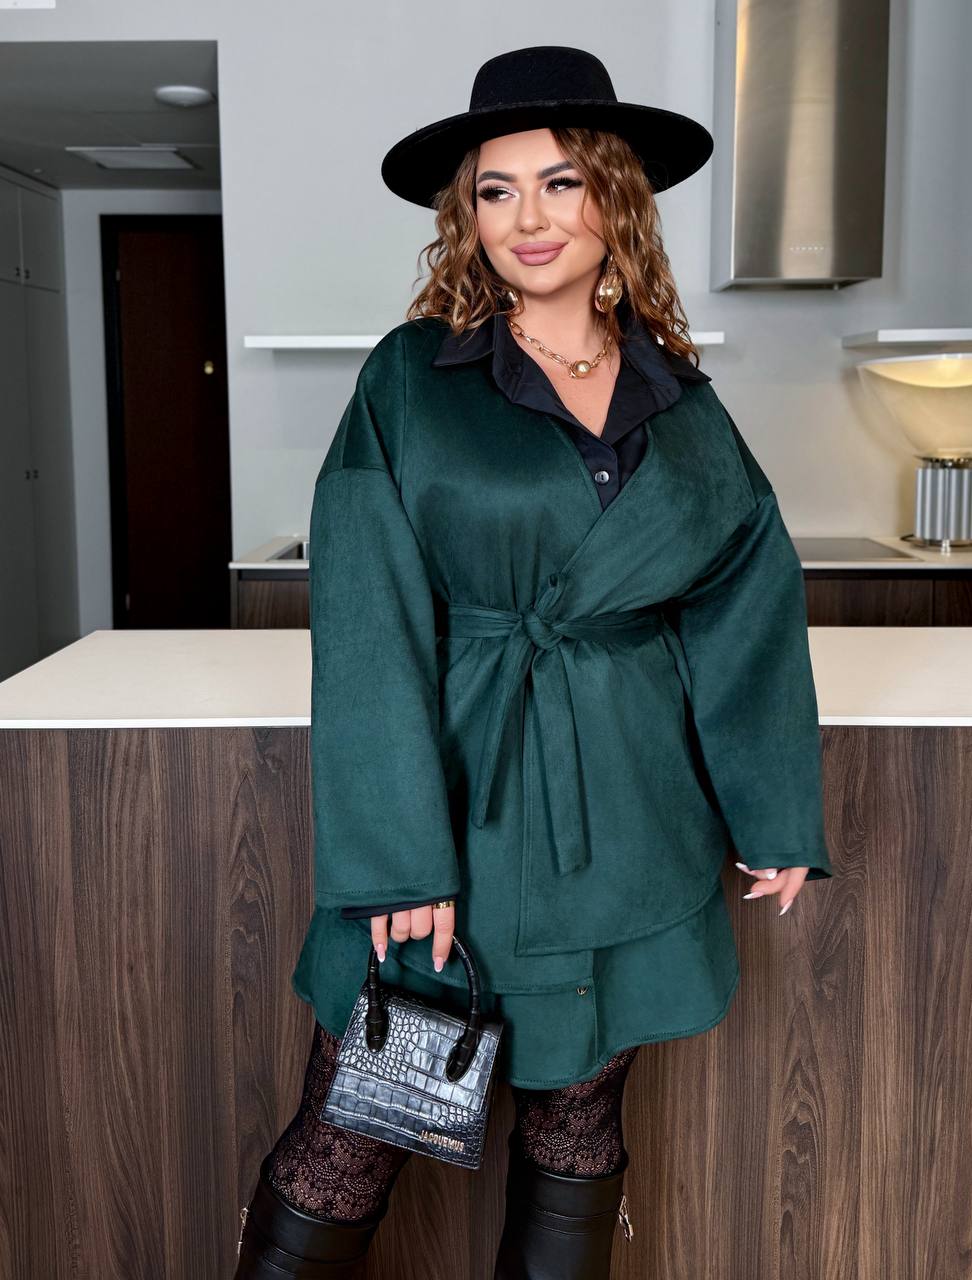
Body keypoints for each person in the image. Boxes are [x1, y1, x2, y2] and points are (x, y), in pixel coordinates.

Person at [234, 44, 834, 1280]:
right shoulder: (413, 378)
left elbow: (746, 598)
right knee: (352, 1137)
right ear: (468, 217)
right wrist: (400, 851)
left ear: (615, 196)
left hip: (630, 827)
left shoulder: (682, 399)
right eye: (496, 191)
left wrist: (774, 810)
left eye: (561, 182)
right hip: (455, 817)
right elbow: (367, 612)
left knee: (577, 1130)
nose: (529, 217)